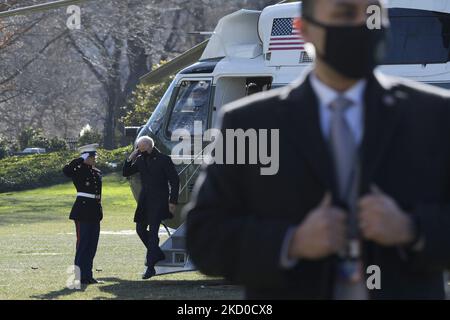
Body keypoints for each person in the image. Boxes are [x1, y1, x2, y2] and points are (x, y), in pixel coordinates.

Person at [185, 0, 450, 299]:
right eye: (345, 13)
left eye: (374, 14)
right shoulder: (248, 123)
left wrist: (412, 229)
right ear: (305, 30)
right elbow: (205, 238)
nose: (365, 25)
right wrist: (291, 242)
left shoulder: (434, 117)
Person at [122, 136, 180, 279]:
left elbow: (175, 180)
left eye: (139, 147)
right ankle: (158, 253)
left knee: (153, 233)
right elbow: (126, 172)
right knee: (140, 229)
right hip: (144, 201)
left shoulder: (163, 159)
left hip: (159, 201)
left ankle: (150, 267)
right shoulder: (140, 159)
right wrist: (130, 157)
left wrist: (172, 202)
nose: (137, 149)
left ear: (148, 146)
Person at [63, 144, 102, 285]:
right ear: (85, 157)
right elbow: (66, 171)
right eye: (91, 157)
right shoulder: (78, 170)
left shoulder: (96, 172)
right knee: (83, 244)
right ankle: (79, 276)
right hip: (82, 210)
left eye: (94, 157)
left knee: (92, 244)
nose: (94, 159)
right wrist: (79, 160)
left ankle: (88, 275)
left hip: (94, 211)